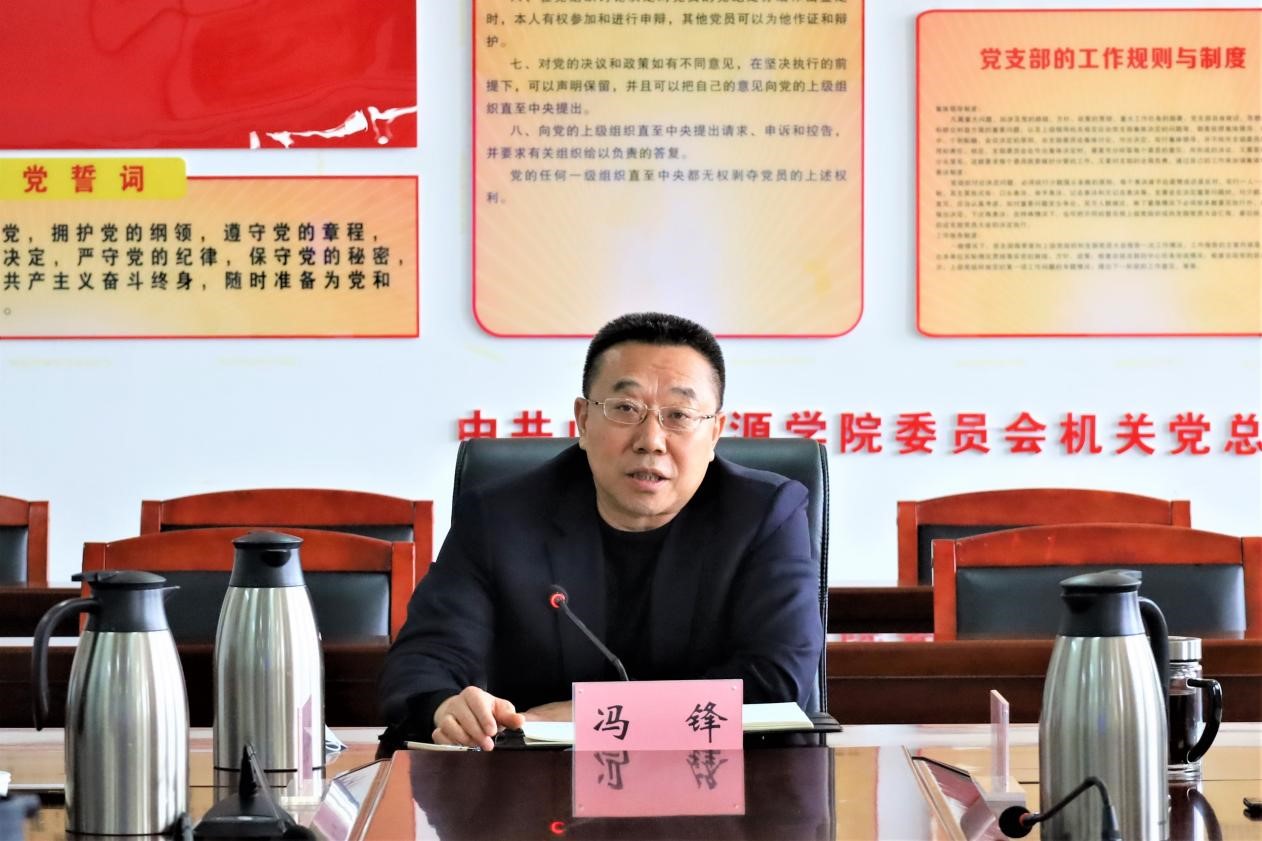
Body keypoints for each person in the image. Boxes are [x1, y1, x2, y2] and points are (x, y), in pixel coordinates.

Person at [379, 312, 823, 749]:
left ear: (715, 434)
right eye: (626, 409)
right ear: (584, 421)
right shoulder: (499, 519)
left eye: (679, 415)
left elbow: (777, 680)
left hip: (729, 781)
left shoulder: (765, 515)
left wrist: (600, 716)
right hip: (537, 785)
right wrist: (447, 707)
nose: (651, 440)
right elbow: (423, 661)